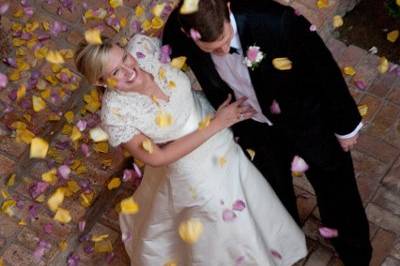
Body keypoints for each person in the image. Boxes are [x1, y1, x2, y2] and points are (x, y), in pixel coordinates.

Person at [162, 0, 372, 265]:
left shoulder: (278, 22)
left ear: (229, 8)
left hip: (306, 120)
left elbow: (325, 71)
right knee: (274, 191)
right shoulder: (179, 27)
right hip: (254, 128)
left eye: (225, 40)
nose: (224, 50)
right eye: (212, 49)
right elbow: (164, 61)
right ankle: (290, 243)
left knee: (338, 192)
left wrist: (346, 126)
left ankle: (356, 256)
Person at [74, 34, 307, 265]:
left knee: (248, 184)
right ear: (100, 82)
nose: (129, 69)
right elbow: (158, 157)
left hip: (213, 121)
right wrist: (218, 123)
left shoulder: (143, 48)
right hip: (189, 161)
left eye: (124, 57)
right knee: (217, 210)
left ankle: (272, 244)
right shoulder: (116, 114)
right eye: (116, 72)